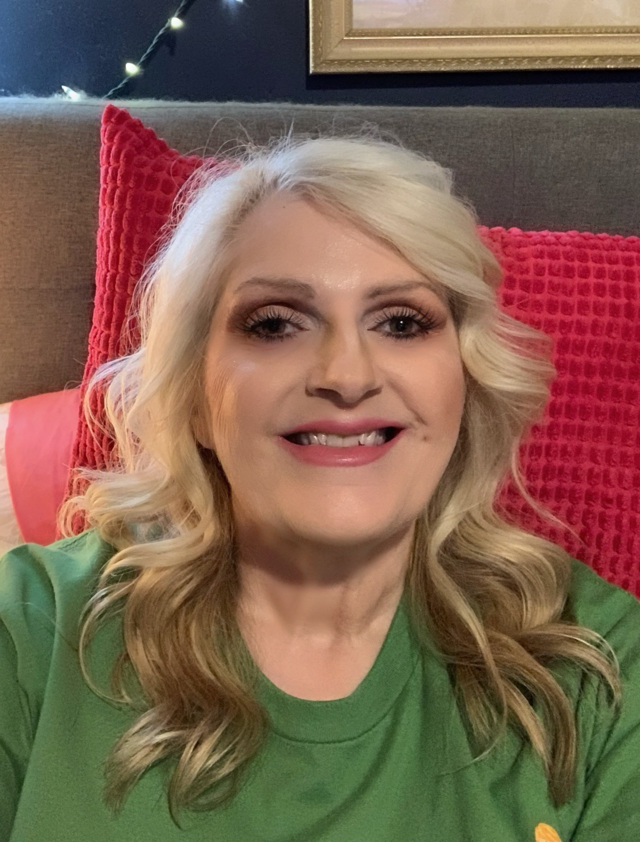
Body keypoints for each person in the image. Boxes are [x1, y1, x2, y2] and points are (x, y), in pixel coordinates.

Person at [1, 131, 639, 842]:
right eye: (276, 324)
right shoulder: (25, 634)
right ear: (194, 396)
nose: (346, 374)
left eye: (401, 322)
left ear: (464, 382)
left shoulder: (599, 667)